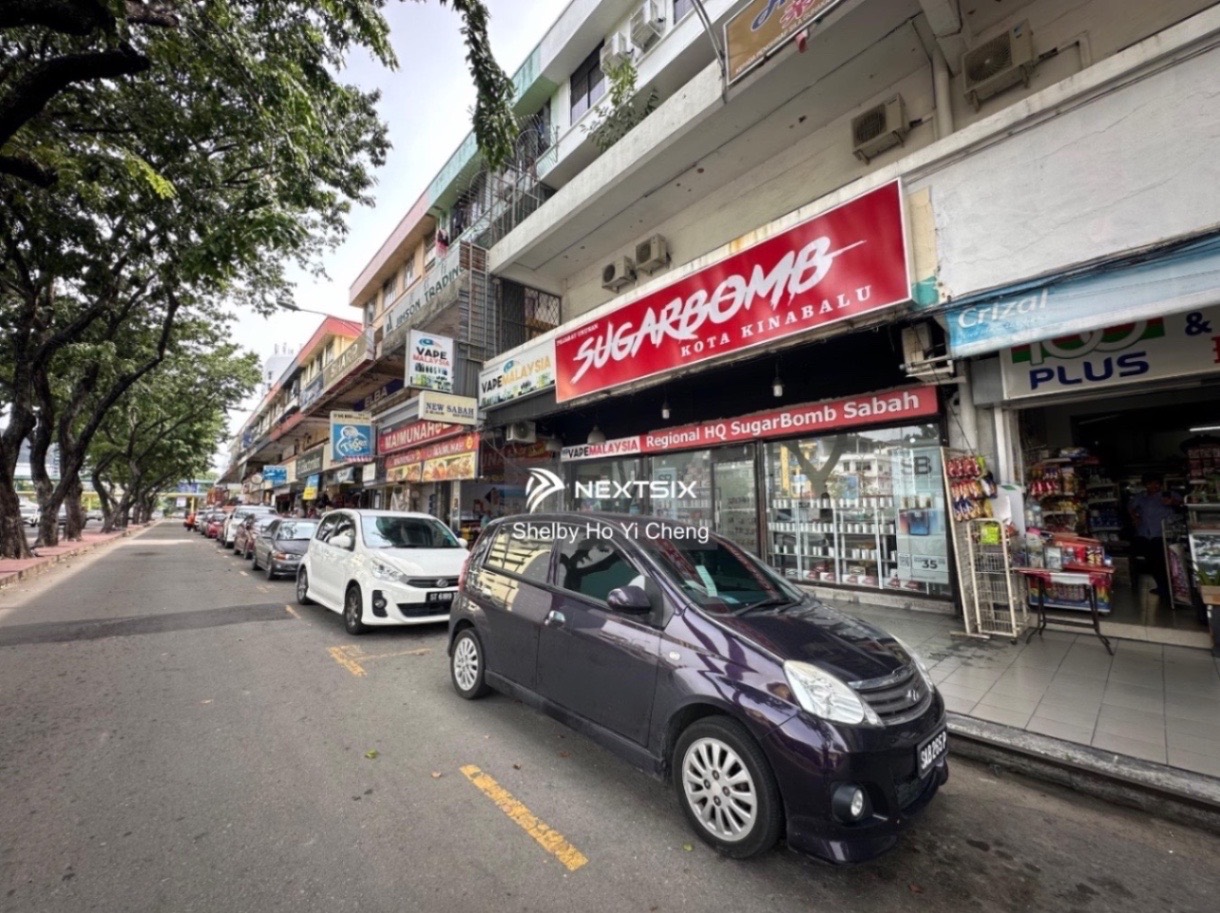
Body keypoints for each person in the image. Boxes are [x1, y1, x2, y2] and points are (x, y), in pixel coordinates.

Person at [1128, 473, 1182, 598]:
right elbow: (1130, 507)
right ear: (1145, 485)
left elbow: (1182, 503)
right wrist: (1135, 517)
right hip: (1145, 534)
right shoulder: (1141, 497)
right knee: (1152, 562)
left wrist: (1172, 502)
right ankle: (1161, 587)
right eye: (1150, 484)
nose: (1154, 486)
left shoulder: (1168, 494)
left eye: (1156, 483)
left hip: (1163, 534)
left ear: (1160, 484)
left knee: (1165, 562)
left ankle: (1172, 588)